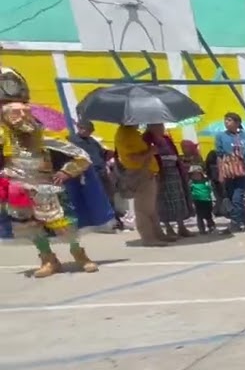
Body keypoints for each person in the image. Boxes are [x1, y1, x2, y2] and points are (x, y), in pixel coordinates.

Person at [0, 66, 111, 275]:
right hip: (17, 186)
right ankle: (48, 259)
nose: (21, 117)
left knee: (62, 223)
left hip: (44, 185)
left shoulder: (43, 137)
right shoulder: (3, 138)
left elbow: (82, 156)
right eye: (15, 113)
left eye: (25, 112)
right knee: (30, 226)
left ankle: (79, 254)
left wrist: (67, 172)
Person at [114, 124, 166, 246]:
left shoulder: (132, 133)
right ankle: (148, 238)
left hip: (146, 171)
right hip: (140, 173)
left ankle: (157, 234)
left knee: (150, 208)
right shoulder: (126, 135)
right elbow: (133, 157)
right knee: (143, 209)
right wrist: (150, 152)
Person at [143, 124, 194, 239]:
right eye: (159, 125)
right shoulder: (146, 139)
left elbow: (174, 153)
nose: (161, 128)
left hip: (174, 172)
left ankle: (181, 227)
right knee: (163, 201)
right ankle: (168, 228)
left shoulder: (166, 139)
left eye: (162, 125)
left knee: (178, 199)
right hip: (160, 173)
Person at [67, 119, 120, 229]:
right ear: (80, 128)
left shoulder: (92, 140)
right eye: (85, 129)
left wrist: (108, 154)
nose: (87, 132)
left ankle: (113, 219)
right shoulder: (72, 140)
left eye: (90, 131)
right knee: (96, 197)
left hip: (101, 171)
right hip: (88, 173)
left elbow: (100, 153)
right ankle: (100, 221)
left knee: (109, 194)